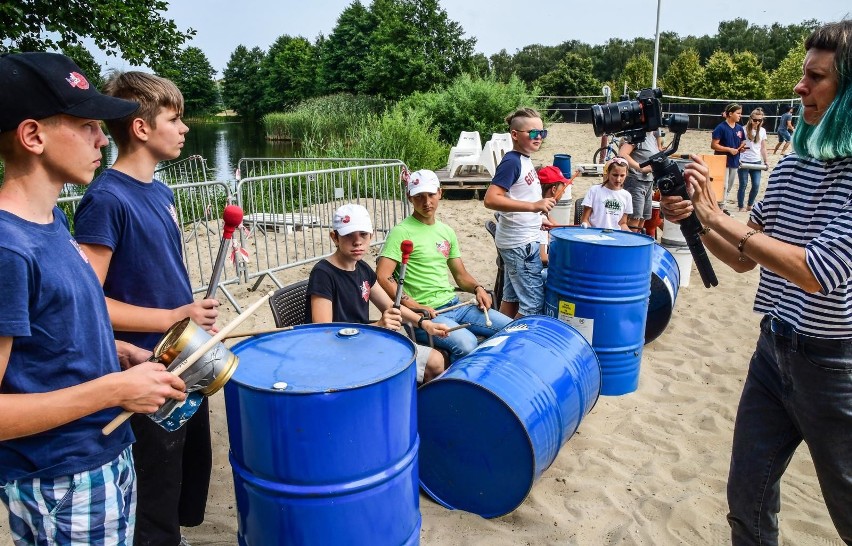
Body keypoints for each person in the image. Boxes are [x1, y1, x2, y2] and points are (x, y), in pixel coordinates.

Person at [660, 19, 852, 545]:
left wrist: (717, 220)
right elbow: (745, 258)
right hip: (773, 351)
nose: (800, 87)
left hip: (835, 366)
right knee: (747, 495)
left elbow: (818, 272)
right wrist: (699, 216)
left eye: (816, 78)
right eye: (802, 74)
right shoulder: (796, 164)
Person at [0, 52, 187, 545]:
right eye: (87, 125)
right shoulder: (7, 249)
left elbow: (51, 338)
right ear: (33, 136)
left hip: (105, 453)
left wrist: (115, 354)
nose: (104, 139)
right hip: (61, 476)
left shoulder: (53, 223)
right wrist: (113, 391)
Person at [73, 71, 219, 546]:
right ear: (141, 127)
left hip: (183, 359)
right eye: (175, 119)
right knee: (152, 497)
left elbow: (158, 273)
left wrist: (189, 313)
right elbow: (88, 302)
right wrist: (173, 318)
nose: (184, 129)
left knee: (185, 481)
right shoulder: (105, 199)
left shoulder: (161, 191)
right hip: (143, 368)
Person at [377, 169, 512, 361]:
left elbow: (460, 275)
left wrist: (477, 288)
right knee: (467, 344)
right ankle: (457, 386)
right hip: (426, 316)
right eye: (419, 196)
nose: (426, 202)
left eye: (431, 195)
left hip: (456, 305)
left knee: (512, 329)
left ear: (440, 193)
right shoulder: (401, 232)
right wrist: (413, 305)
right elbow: (383, 276)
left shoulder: (446, 231)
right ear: (409, 197)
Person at [307, 204, 450, 384]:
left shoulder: (362, 268)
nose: (357, 241)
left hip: (366, 340)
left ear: (371, 236)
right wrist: (379, 325)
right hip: (342, 351)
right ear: (334, 237)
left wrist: (424, 323)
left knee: (436, 361)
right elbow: (324, 331)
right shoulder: (323, 273)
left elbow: (390, 306)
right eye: (349, 235)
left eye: (363, 235)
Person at [483, 108, 556, 317]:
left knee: (512, 299)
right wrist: (534, 207)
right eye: (533, 133)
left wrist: (538, 216)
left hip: (521, 239)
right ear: (515, 135)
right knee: (532, 305)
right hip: (520, 244)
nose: (539, 137)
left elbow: (520, 197)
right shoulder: (512, 161)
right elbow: (491, 199)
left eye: (543, 133)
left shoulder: (525, 158)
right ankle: (515, 346)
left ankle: (498, 338)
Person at [618, 130, 663, 232]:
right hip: (636, 180)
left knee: (643, 219)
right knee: (634, 220)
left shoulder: (651, 136)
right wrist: (640, 167)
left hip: (648, 181)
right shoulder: (637, 134)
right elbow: (622, 154)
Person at [711, 103, 747, 211]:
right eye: (738, 113)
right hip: (722, 161)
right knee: (723, 185)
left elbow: (743, 141)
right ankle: (720, 208)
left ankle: (721, 206)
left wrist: (741, 148)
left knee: (729, 186)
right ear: (730, 114)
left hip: (734, 161)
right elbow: (714, 145)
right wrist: (729, 149)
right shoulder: (720, 128)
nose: (740, 116)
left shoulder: (739, 128)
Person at [579, 157, 632, 230]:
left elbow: (622, 223)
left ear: (626, 174)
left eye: (622, 175)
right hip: (595, 234)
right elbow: (585, 219)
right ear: (608, 173)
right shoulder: (595, 190)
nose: (618, 179)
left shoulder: (627, 196)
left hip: (615, 236)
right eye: (615, 175)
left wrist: (630, 235)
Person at [737, 108, 769, 212]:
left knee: (756, 185)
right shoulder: (743, 129)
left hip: (756, 161)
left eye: (760, 120)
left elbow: (763, 148)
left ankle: (750, 204)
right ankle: (741, 206)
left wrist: (766, 161)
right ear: (751, 119)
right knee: (743, 184)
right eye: (755, 120)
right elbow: (738, 145)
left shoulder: (763, 131)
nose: (757, 122)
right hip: (744, 161)